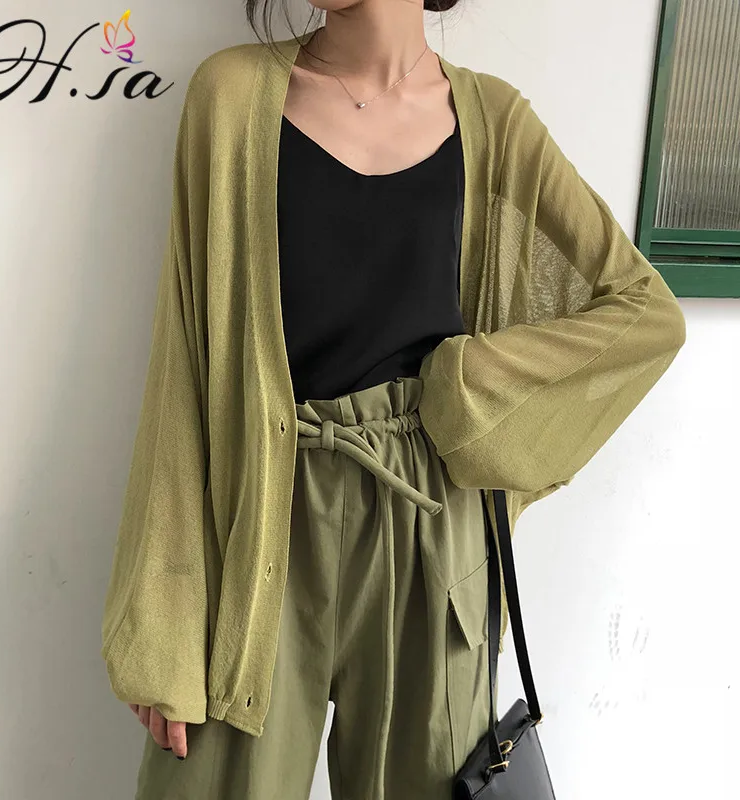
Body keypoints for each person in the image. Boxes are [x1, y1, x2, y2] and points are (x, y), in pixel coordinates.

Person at [100, 2, 687, 798]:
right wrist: (162, 622)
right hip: (262, 514)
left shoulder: (494, 120)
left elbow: (641, 312)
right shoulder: (230, 95)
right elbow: (185, 364)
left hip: (431, 530)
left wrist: (473, 391)